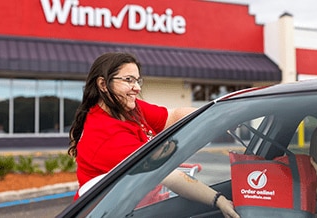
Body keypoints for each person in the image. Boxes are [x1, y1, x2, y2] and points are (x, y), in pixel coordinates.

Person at [68, 52, 240, 218]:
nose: (137, 88)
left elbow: (172, 116)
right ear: (103, 85)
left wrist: (218, 117)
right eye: (128, 80)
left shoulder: (129, 108)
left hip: (137, 206)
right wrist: (219, 200)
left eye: (137, 80)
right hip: (110, 212)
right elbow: (165, 174)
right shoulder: (105, 133)